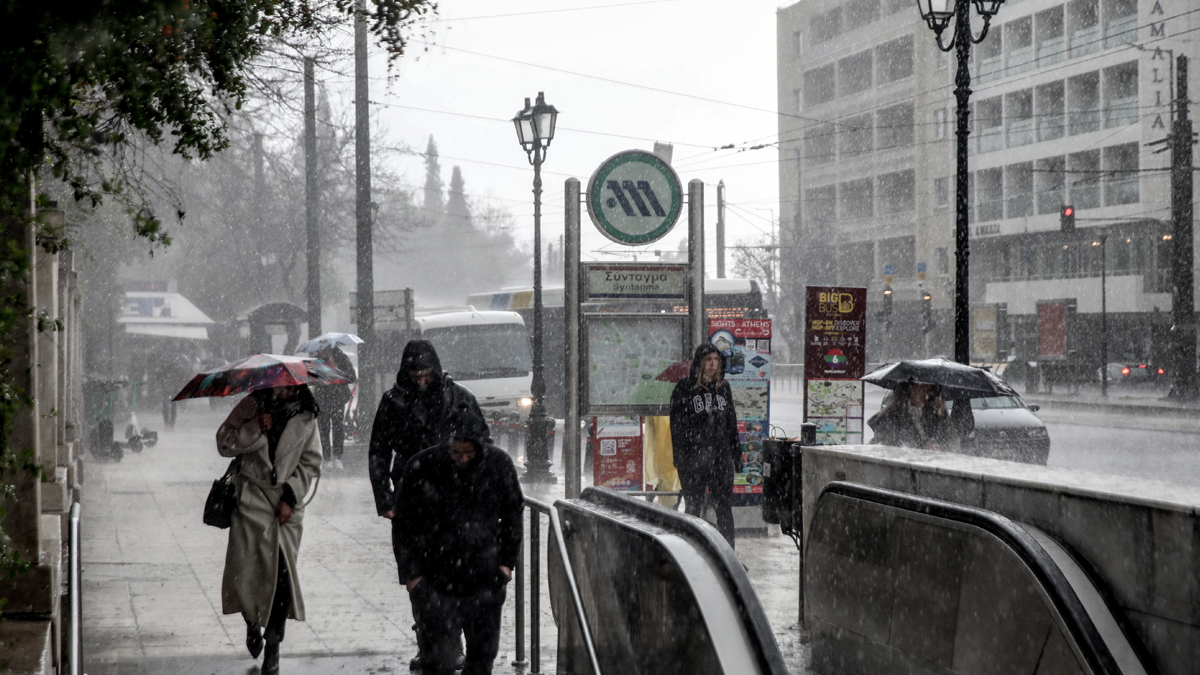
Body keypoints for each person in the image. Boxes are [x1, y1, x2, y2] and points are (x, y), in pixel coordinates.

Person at [368, 339, 488, 669]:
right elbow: (378, 451)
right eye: (415, 373)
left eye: (425, 373)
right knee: (417, 578)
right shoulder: (393, 402)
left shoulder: (460, 398)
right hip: (411, 503)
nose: (421, 378)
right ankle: (428, 641)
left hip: (455, 501)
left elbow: (484, 447)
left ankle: (453, 641)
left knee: (456, 574)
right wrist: (385, 500)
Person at [394, 406, 523, 675]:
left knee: (482, 658)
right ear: (445, 447)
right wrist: (412, 576)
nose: (463, 459)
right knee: (438, 661)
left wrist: (506, 566)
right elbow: (404, 524)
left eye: (469, 453)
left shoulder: (499, 464)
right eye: (456, 453)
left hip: (485, 577)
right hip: (434, 578)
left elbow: (513, 515)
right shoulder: (422, 466)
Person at [217, 385, 323, 674]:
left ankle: (273, 644)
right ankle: (252, 623)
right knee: (246, 574)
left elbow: (311, 462)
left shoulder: (306, 416)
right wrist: (254, 428)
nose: (285, 392)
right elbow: (223, 444)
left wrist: (290, 497)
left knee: (282, 578)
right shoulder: (250, 406)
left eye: (291, 387)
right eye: (280, 387)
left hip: (285, 511)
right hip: (250, 500)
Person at [669, 343, 742, 547]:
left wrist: (737, 454)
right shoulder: (685, 388)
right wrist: (680, 456)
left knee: (723, 508)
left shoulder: (724, 388)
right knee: (693, 507)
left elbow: (731, 423)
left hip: (720, 458)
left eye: (716, 360)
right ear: (700, 363)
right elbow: (676, 426)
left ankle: (728, 553)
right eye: (708, 360)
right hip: (693, 458)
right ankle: (690, 549)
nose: (712, 364)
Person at [867, 382, 949, 450]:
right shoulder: (891, 416)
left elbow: (949, 440)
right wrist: (922, 450)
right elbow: (891, 450)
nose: (925, 396)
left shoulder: (930, 413)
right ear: (908, 390)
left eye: (928, 391)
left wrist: (942, 416)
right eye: (921, 390)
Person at [314, 345, 356, 470]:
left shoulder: (341, 358)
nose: (323, 352)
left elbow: (351, 377)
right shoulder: (316, 361)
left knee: (338, 427)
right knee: (324, 428)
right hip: (322, 399)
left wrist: (335, 369)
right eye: (321, 349)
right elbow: (312, 379)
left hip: (338, 398)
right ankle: (327, 458)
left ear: (331, 348)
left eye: (326, 349)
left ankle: (337, 457)